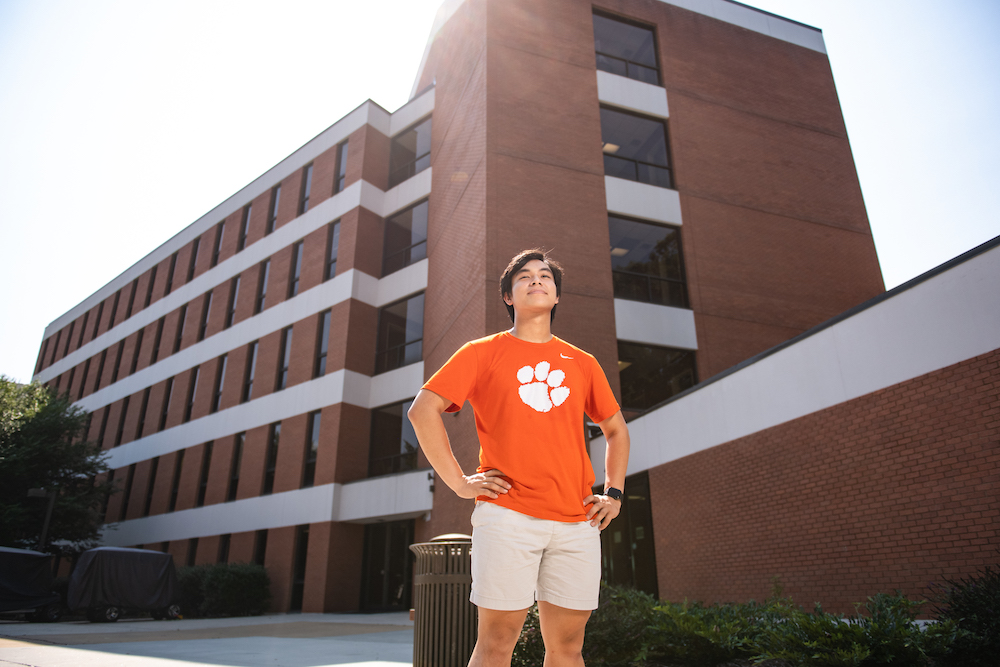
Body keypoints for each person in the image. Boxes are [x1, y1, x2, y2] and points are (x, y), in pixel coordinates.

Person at [408, 248, 631, 667]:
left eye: (545, 276)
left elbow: (616, 430)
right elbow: (422, 410)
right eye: (524, 276)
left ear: (557, 295)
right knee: (496, 643)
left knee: (568, 649)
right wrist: (457, 482)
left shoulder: (582, 363)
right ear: (508, 296)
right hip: (508, 515)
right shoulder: (481, 352)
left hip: (576, 521)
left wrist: (613, 493)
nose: (536, 281)